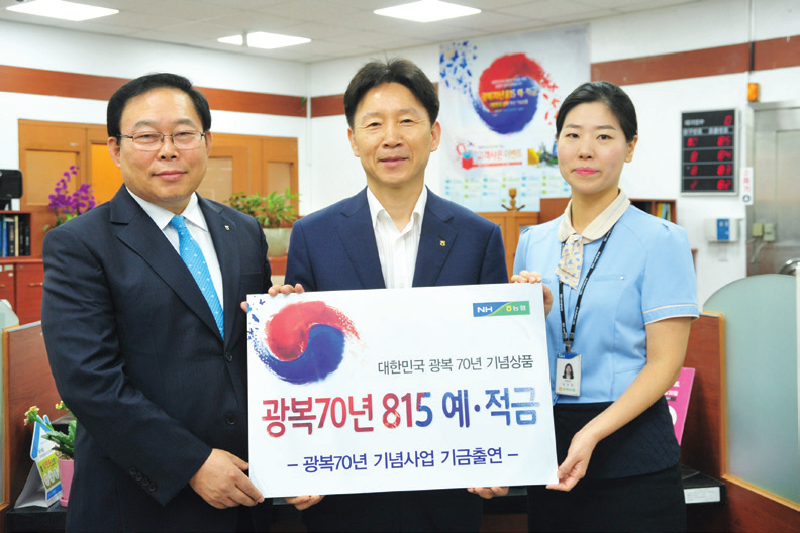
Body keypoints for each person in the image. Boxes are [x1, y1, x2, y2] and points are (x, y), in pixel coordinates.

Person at [282, 58, 509, 532]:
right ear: (352, 139)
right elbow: (305, 366)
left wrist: (499, 454)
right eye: (374, 124)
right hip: (347, 485)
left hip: (449, 480)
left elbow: (496, 355)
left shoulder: (479, 237)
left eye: (407, 121)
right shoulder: (314, 236)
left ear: (434, 134)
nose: (391, 138)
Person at [41, 73, 273, 532]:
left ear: (206, 141)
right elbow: (89, 382)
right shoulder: (80, 244)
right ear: (115, 148)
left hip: (245, 493)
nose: (168, 150)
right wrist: (191, 463)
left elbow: (252, 353)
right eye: (147, 136)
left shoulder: (244, 232)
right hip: (138, 506)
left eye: (184, 134)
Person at [513, 81, 698, 532]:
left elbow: (664, 366)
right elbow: (521, 352)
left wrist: (592, 432)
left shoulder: (662, 240)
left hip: (632, 453)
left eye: (604, 136)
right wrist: (527, 315)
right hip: (551, 452)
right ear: (558, 145)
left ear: (630, 147)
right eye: (573, 135)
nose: (586, 150)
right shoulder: (533, 242)